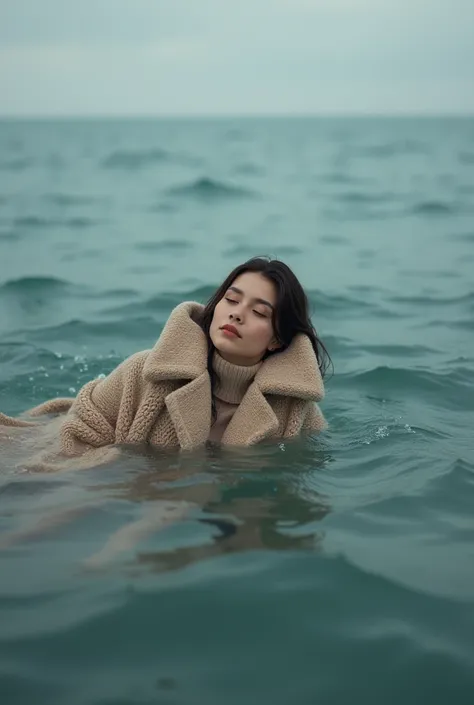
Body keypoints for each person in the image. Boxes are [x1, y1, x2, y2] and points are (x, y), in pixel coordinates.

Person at [0, 257, 331, 470]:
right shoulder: (147, 370)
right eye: (231, 299)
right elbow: (77, 430)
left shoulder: (295, 411)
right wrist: (114, 466)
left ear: (276, 340)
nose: (236, 313)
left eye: (259, 312)